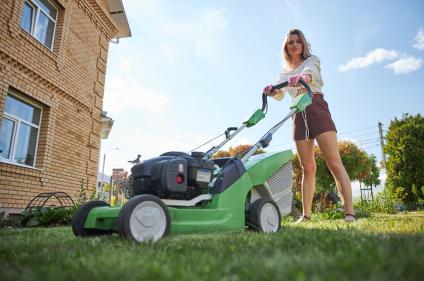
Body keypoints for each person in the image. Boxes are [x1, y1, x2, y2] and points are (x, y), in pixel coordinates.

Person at [263, 29, 356, 222]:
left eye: (297, 41)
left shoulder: (312, 60)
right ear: (286, 47)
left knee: (334, 163)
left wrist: (303, 78)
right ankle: (306, 215)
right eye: (290, 42)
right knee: (307, 167)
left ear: (303, 45)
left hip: (315, 106)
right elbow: (279, 93)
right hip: (297, 112)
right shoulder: (285, 72)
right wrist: (271, 90)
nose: (294, 45)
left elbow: (310, 74)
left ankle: (350, 213)